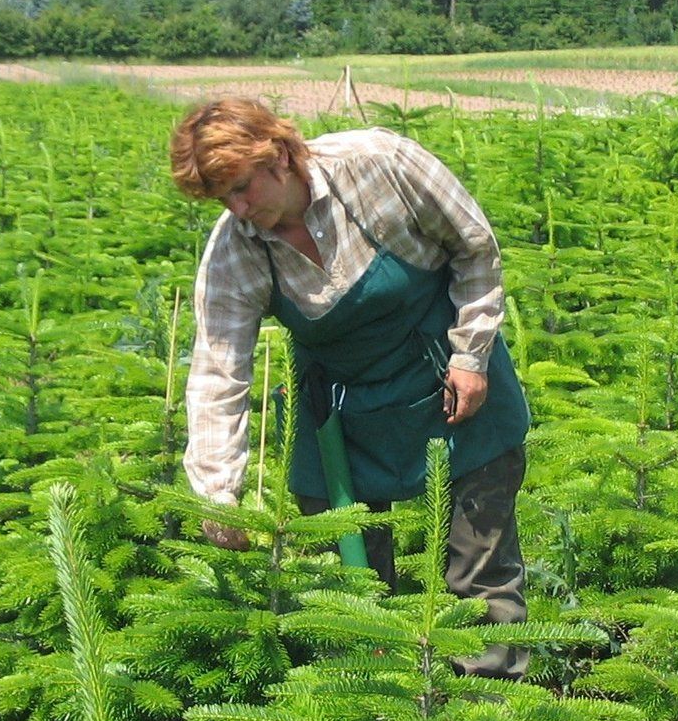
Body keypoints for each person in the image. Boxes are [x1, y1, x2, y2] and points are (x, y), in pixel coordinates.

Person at [169, 96, 532, 679]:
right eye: (221, 199)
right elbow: (219, 366)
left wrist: (471, 356)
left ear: (280, 156)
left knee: (479, 574)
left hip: (451, 385)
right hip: (340, 416)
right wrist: (218, 492)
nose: (236, 208)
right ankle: (373, 720)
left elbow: (475, 248)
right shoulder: (236, 247)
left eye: (242, 188)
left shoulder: (381, 165)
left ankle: (495, 719)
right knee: (352, 589)